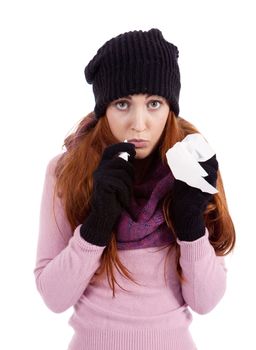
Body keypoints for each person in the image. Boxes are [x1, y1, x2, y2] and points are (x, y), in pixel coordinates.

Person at [33, 28, 236, 350]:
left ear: (170, 108)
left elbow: (205, 302)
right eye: (123, 104)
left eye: (154, 103)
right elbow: (54, 297)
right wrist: (97, 223)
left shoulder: (194, 168)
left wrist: (190, 224)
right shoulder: (66, 171)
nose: (139, 123)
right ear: (104, 109)